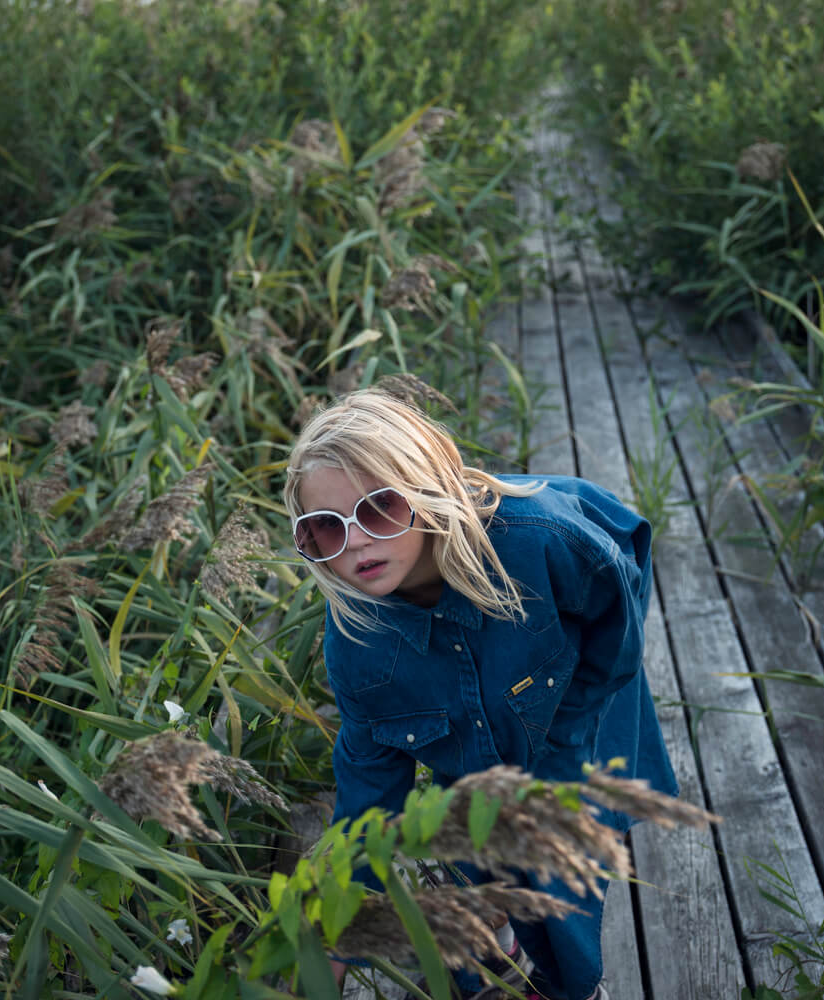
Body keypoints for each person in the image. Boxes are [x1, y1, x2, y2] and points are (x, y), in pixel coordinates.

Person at [283, 389, 678, 1000]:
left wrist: (574, 726)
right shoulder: (358, 643)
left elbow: (619, 585)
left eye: (380, 508)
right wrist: (330, 936)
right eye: (325, 529)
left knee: (560, 880)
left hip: (564, 710)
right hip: (463, 743)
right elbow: (368, 790)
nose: (356, 541)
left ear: (426, 487)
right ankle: (493, 963)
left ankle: (573, 988)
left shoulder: (543, 538)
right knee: (474, 857)